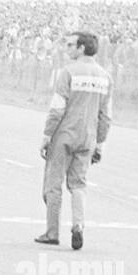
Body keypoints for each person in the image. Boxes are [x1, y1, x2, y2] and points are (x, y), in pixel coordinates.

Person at [36, 30, 111, 251]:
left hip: (64, 134)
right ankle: (78, 225)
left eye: (70, 45)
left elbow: (57, 109)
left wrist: (46, 135)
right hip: (88, 136)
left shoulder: (68, 72)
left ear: (81, 48)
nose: (67, 49)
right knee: (78, 184)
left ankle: (52, 231)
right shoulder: (105, 77)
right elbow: (105, 115)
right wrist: (100, 143)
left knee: (53, 184)